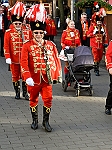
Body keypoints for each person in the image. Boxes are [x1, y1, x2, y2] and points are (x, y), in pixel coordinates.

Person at [21, 4, 62, 132]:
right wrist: (27, 77)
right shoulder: (26, 46)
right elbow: (23, 63)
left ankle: (46, 121)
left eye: (40, 32)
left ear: (43, 33)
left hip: (46, 78)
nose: (38, 35)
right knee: (33, 99)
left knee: (48, 99)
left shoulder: (50, 45)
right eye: (36, 33)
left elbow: (55, 59)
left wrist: (57, 74)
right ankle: (34, 120)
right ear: (32, 33)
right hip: (33, 79)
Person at [4, 1, 32, 100]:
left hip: (25, 60)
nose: (18, 25)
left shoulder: (27, 32)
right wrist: (7, 57)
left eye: (19, 23)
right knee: (15, 76)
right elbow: (6, 46)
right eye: (16, 23)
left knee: (25, 76)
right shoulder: (8, 33)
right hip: (14, 59)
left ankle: (25, 93)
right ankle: (17, 92)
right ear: (13, 23)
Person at [87, 8, 109, 76]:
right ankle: (96, 69)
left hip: (101, 45)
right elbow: (88, 34)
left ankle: (96, 65)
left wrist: (106, 43)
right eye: (98, 22)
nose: (99, 23)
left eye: (100, 22)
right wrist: (93, 34)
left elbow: (106, 36)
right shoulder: (92, 27)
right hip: (94, 45)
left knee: (99, 57)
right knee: (96, 57)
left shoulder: (103, 27)